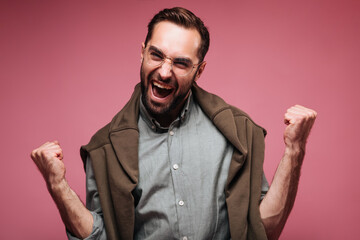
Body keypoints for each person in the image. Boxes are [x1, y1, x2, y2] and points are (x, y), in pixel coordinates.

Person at [31, 7, 317, 240]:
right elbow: (100, 237)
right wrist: (58, 185)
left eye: (180, 63)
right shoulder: (106, 149)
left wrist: (294, 150)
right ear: (142, 52)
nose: (164, 72)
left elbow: (262, 232)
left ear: (199, 69)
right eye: (156, 55)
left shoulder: (238, 132)